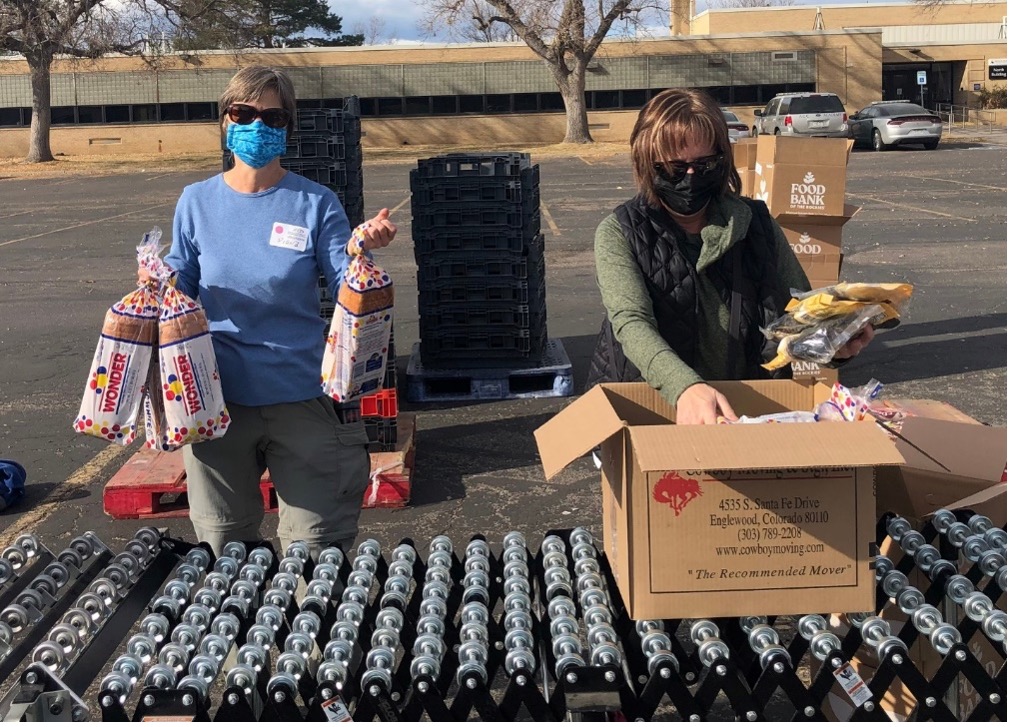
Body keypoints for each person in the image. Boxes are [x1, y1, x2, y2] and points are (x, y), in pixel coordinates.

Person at [155, 66, 397, 557]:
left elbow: (343, 274)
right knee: (224, 549)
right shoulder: (196, 202)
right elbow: (181, 278)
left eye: (272, 116)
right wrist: (156, 281)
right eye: (244, 113)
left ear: (287, 126)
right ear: (226, 120)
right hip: (217, 405)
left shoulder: (315, 203)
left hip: (301, 397)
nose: (257, 126)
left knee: (317, 551)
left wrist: (363, 248)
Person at [586, 89, 873, 424]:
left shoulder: (756, 223)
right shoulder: (619, 232)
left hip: (744, 407)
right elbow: (631, 322)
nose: (690, 177)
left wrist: (831, 343)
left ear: (721, 160)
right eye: (675, 168)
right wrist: (685, 387)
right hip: (651, 404)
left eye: (703, 164)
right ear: (646, 164)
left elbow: (798, 310)